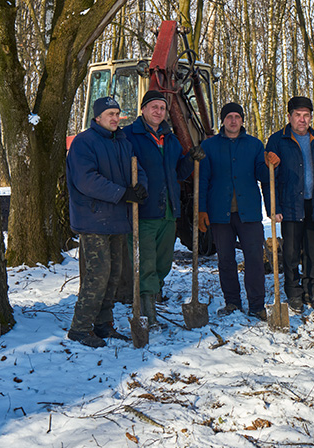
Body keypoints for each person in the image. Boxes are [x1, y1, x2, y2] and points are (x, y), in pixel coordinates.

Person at [66, 96, 148, 347]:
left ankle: (103, 324)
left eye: (117, 113)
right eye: (110, 114)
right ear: (98, 117)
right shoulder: (84, 143)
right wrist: (122, 194)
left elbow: (137, 169)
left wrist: (140, 187)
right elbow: (86, 180)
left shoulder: (122, 142)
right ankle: (80, 328)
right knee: (97, 276)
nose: (115, 118)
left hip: (117, 220)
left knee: (113, 275)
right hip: (93, 220)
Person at [122, 90, 199, 330]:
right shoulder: (129, 136)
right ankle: (149, 311)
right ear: (143, 109)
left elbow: (176, 173)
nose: (159, 111)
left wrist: (191, 160)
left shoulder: (171, 139)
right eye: (154, 107)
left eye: (162, 108)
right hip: (144, 211)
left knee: (164, 262)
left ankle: (153, 294)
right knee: (145, 262)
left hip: (168, 211)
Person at [198, 102, 273, 321]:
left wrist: (270, 165)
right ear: (222, 120)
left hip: (248, 212)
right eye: (229, 116)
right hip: (220, 213)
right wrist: (202, 210)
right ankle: (232, 302)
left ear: (242, 120)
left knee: (254, 259)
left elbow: (262, 174)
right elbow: (202, 180)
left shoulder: (254, 145)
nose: (233, 120)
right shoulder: (209, 146)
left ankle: (257, 305)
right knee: (225, 260)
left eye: (237, 117)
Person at [265, 96, 314, 314]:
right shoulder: (278, 140)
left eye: (306, 115)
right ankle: (294, 293)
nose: (302, 120)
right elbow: (268, 178)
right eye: (298, 115)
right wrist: (273, 208)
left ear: (311, 117)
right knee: (292, 252)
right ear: (289, 117)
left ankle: (311, 292)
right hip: (290, 205)